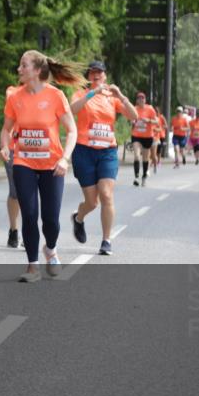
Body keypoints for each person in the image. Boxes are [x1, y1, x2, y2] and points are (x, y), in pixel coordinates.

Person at [0, 50, 81, 282]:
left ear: (36, 70)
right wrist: (5, 146)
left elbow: (72, 130)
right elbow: (6, 128)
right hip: (23, 161)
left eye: (23, 65)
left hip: (52, 164)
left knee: (51, 219)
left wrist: (65, 158)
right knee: (29, 213)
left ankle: (51, 249)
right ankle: (32, 267)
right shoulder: (15, 97)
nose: (19, 69)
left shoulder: (55, 96)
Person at [68, 61, 136, 257]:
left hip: (107, 151)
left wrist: (120, 96)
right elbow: (72, 110)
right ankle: (79, 218)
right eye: (92, 73)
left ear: (105, 76)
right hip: (84, 151)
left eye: (99, 73)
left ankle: (106, 241)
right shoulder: (82, 93)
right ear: (89, 77)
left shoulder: (112, 98)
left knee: (106, 194)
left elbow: (134, 115)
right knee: (92, 202)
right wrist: (93, 93)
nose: (96, 75)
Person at [1, 83, 22, 248]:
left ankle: (29, 232)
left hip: (37, 151)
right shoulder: (12, 92)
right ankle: (14, 229)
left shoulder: (49, 93)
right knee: (15, 192)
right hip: (14, 148)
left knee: (29, 194)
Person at [129, 93, 158, 187]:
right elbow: (131, 119)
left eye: (143, 98)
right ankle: (136, 177)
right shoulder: (134, 108)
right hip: (136, 135)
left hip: (147, 136)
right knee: (137, 156)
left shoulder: (150, 108)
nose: (141, 100)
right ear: (137, 100)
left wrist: (148, 121)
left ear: (145, 100)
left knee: (145, 158)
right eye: (139, 98)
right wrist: (132, 121)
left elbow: (156, 121)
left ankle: (144, 176)